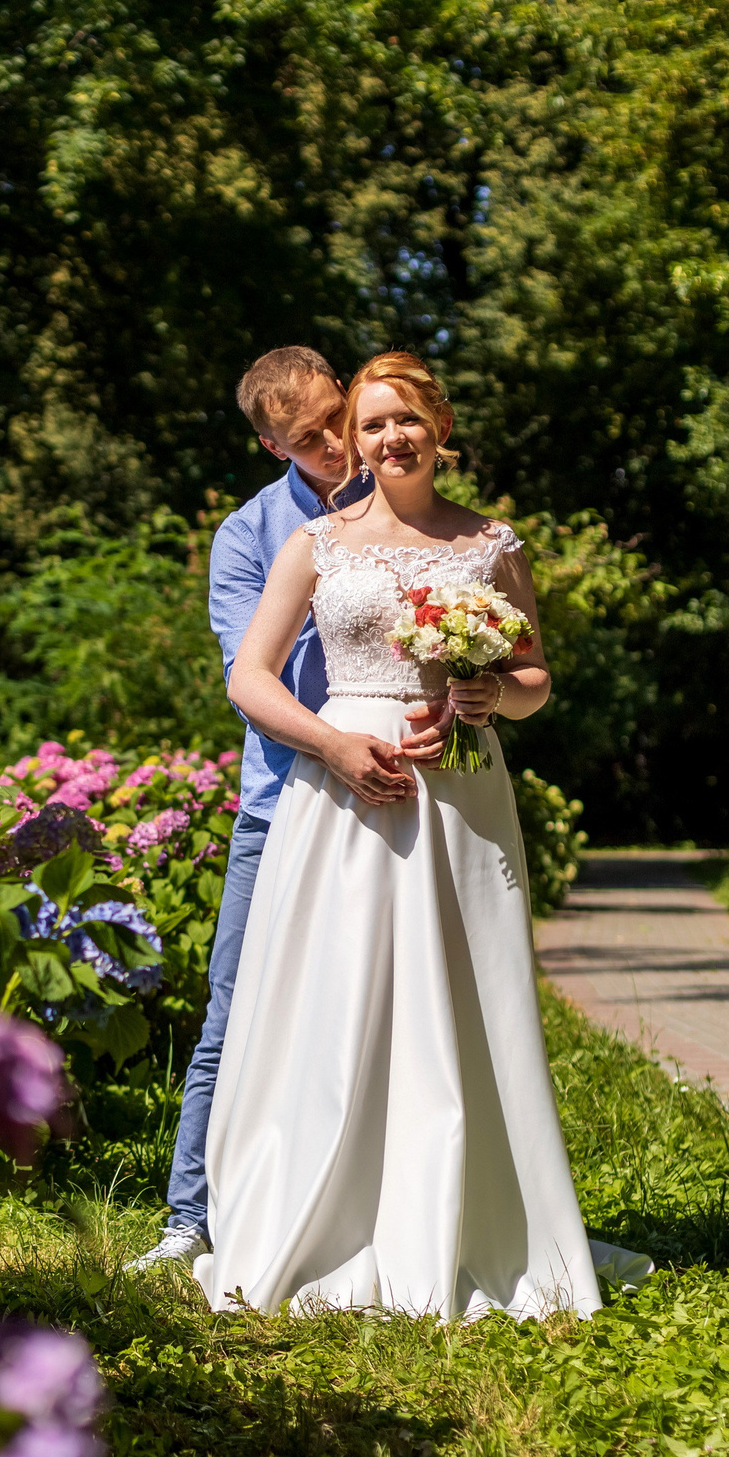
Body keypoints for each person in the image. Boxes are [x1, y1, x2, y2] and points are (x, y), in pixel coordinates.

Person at [191, 351, 648, 1320]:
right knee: (340, 998)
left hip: (463, 798)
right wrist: (334, 745)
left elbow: (534, 680)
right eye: (370, 425)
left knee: (461, 996)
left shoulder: (491, 544)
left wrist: (488, 693)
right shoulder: (311, 544)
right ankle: (318, 1215)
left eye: (405, 419)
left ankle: (471, 1213)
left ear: (438, 426)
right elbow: (250, 678)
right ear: (348, 442)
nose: (388, 438)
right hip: (345, 793)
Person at [125, 348, 444, 1274]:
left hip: (406, 788)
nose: (343, 444)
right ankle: (193, 1214)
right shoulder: (255, 534)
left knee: (394, 1007)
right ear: (272, 444)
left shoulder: (403, 497)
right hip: (287, 796)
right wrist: (335, 740)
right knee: (238, 1004)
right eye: (311, 438)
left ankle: (383, 1210)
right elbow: (247, 676)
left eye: (342, 416)